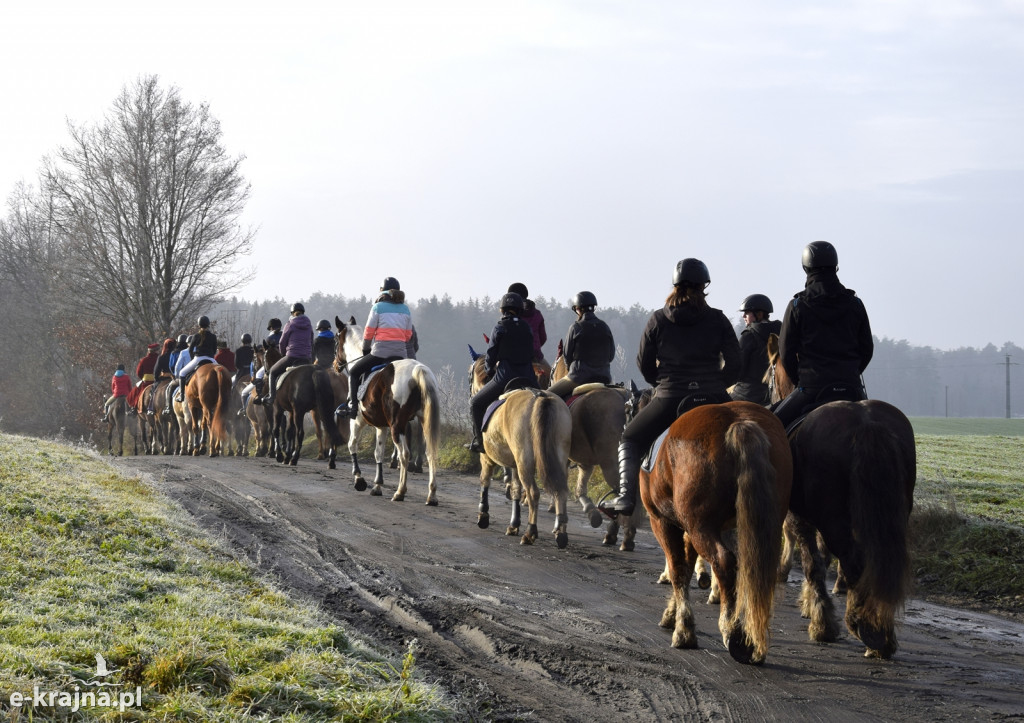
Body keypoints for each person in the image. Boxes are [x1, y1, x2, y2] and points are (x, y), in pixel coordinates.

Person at [600, 258, 740, 518]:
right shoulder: (718, 319)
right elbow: (736, 363)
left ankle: (625, 498)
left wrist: (660, 384)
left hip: (670, 396)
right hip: (714, 396)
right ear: (703, 286)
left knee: (630, 439)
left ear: (675, 286)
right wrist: (716, 384)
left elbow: (643, 363)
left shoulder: (659, 320)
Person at [772, 241, 873, 428]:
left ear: (805, 268)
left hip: (812, 388)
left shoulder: (797, 306)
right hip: (851, 388)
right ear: (836, 267)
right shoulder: (856, 303)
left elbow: (786, 353)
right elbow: (867, 349)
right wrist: (850, 374)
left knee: (771, 426)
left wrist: (800, 380)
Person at [465, 291, 538, 453]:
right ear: (520, 309)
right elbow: (532, 354)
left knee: (475, 403)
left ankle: (480, 443)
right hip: (529, 378)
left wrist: (489, 370)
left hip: (505, 377)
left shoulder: (500, 327)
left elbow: (490, 356)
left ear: (503, 309)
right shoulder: (527, 327)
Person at [345, 277, 415, 417]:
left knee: (353, 373)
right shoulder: (405, 309)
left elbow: (369, 331)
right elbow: (408, 335)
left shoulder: (377, 307)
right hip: (401, 355)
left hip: (380, 353)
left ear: (382, 291)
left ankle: (352, 408)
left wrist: (366, 348)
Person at [547, 291, 616, 400]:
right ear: (593, 308)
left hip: (578, 377)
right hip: (605, 377)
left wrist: (572, 369)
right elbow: (611, 356)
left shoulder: (576, 327)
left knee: (545, 396)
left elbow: (567, 356)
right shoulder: (605, 327)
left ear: (578, 309)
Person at [730, 294, 782, 405]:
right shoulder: (781, 332)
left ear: (759, 314)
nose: (744, 316)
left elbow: (738, 370)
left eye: (747, 312)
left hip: (746, 394)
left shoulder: (748, 336)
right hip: (775, 395)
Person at [263, 303, 313, 406]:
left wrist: (283, 354)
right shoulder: (309, 325)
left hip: (292, 357)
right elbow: (311, 340)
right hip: (306, 358)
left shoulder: (290, 324)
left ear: (292, 313)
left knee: (272, 372)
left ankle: (271, 398)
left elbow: (282, 342)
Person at [175, 316, 218, 402]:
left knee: (182, 373)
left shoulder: (196, 336)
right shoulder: (213, 336)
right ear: (208, 324)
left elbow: (191, 349)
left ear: (199, 325)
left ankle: (182, 395)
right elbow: (214, 350)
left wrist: (192, 359)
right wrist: (211, 357)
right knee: (221, 372)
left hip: (198, 358)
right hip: (211, 359)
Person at [508, 282, 547, 366]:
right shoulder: (537, 314)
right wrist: (535, 346)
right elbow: (543, 338)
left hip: (513, 356)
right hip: (536, 356)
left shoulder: (508, 316)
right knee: (552, 375)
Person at [127, 342, 160, 411]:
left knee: (135, 394)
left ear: (149, 351)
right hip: (159, 381)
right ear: (157, 350)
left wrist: (143, 377)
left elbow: (138, 372)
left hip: (146, 382)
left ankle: (134, 408)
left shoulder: (144, 360)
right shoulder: (159, 358)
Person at [163, 335, 191, 415]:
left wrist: (175, 375)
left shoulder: (175, 353)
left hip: (181, 377)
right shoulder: (193, 351)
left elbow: (172, 366)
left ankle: (168, 407)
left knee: (170, 387)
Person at [148, 337, 176, 415]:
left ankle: (151, 408)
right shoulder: (177, 354)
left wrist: (157, 378)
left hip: (164, 379)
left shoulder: (161, 357)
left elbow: (156, 372)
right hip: (176, 378)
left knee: (153, 390)